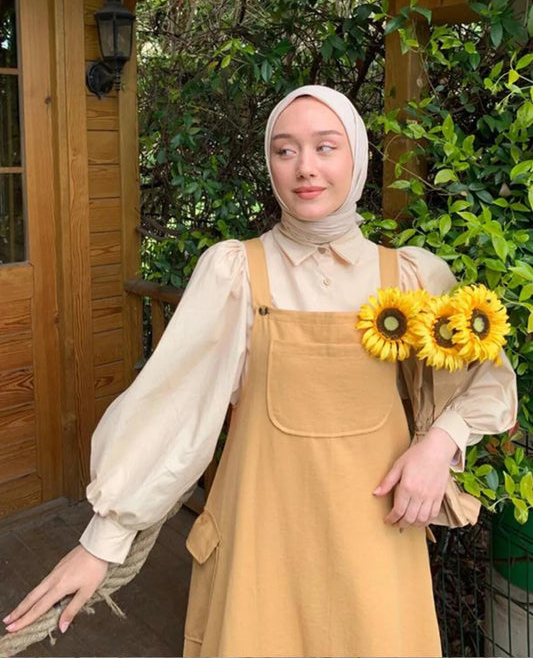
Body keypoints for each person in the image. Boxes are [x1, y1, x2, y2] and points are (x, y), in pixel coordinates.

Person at [4, 86, 517, 657]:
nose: (305, 168)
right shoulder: (234, 272)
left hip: (377, 538)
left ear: (359, 157)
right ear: (270, 163)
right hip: (260, 540)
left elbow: (485, 379)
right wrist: (102, 543)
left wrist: (438, 443)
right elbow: (177, 411)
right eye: (284, 149)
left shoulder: (414, 277)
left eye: (326, 147)